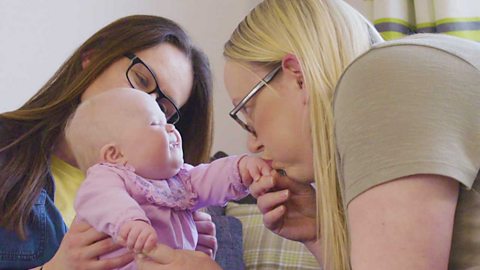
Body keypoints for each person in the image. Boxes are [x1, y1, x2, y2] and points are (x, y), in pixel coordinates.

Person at [218, 0, 479, 269]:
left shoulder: (383, 78)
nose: (253, 143)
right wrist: (322, 237)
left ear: (297, 76)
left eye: (248, 110)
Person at [0, 15, 219, 270]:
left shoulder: (170, 199)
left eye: (162, 107)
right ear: (92, 60)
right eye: (140, 79)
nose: (146, 104)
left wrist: (191, 256)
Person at [66, 88, 270, 269]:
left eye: (168, 122)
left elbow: (210, 176)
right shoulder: (106, 177)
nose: (171, 128)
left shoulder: (181, 179)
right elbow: (105, 200)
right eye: (156, 124)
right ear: (114, 155)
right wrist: (130, 221)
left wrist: (241, 168)